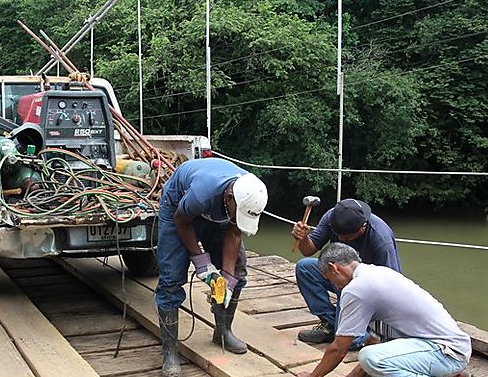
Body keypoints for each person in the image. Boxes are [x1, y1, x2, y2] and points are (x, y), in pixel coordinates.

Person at [156, 158, 268, 377]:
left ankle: (223, 331)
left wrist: (225, 278)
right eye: (238, 213)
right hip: (178, 210)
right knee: (171, 278)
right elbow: (182, 221)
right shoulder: (202, 193)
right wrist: (202, 263)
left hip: (217, 211)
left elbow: (235, 231)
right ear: (229, 198)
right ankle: (170, 352)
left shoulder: (250, 193)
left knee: (238, 273)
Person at [296, 243, 471, 377]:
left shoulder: (357, 288)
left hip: (446, 353)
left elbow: (339, 349)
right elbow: (377, 343)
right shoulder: (378, 272)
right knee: (373, 356)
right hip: (448, 348)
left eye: (331, 279)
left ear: (335, 268)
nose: (335, 285)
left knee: (370, 357)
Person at [291, 199, 401, 347]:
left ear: (363, 227)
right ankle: (329, 324)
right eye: (338, 235)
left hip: (366, 288)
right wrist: (303, 237)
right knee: (305, 267)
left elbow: (391, 286)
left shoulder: (381, 239)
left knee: (350, 343)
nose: (341, 240)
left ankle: (373, 333)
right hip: (340, 278)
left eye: (347, 237)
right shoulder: (332, 217)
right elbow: (307, 251)